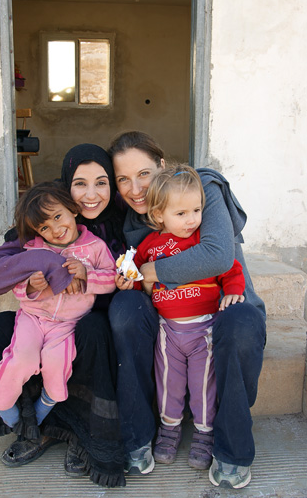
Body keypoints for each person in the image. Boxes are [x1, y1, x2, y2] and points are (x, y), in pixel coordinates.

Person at [107, 131, 266, 489]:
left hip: (225, 307)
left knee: (239, 326)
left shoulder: (199, 188)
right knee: (124, 312)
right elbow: (134, 272)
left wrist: (150, 271)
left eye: (144, 173)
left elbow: (218, 257)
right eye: (123, 179)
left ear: (163, 167)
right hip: (171, 322)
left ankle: (231, 448)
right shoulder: (136, 222)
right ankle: (142, 436)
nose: (136, 189)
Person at [0, 144, 126, 488]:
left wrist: (87, 276)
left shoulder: (118, 227)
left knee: (92, 334)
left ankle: (79, 434)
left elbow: (118, 278)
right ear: (66, 188)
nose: (91, 194)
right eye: (79, 183)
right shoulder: (35, 232)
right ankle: (29, 424)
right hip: (41, 317)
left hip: (92, 324)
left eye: (101, 183)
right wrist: (32, 279)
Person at [117, 164, 245, 470]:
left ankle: (204, 433)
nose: (192, 220)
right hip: (168, 331)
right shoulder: (149, 246)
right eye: (182, 213)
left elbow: (229, 268)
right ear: (159, 215)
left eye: (197, 210)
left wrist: (233, 290)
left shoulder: (201, 242)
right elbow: (136, 274)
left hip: (205, 329)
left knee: (204, 384)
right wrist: (127, 281)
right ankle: (169, 429)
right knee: (168, 383)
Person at [0, 181, 117, 433]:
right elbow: (17, 286)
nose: (56, 229)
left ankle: (40, 412)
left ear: (73, 210)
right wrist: (31, 286)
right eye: (45, 226)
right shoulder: (34, 250)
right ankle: (7, 413)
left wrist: (87, 275)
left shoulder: (95, 247)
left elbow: (111, 280)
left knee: (57, 364)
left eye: (58, 216)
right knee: (21, 360)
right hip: (32, 319)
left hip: (68, 325)